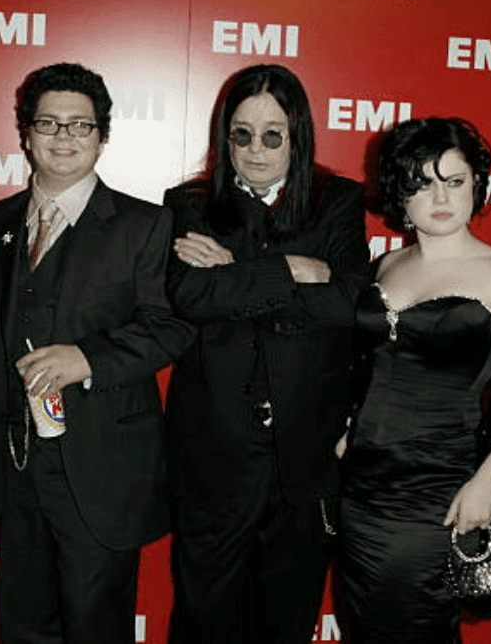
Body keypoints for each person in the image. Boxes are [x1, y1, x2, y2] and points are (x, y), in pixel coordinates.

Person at [0, 62, 193, 644]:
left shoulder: (147, 224)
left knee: (95, 624)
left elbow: (171, 325)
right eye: (49, 123)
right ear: (25, 133)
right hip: (16, 460)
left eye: (80, 126)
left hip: (103, 463)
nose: (64, 137)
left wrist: (89, 358)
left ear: (102, 136)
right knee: (23, 620)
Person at [336, 117, 491, 643]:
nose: (440, 197)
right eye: (423, 182)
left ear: (476, 186)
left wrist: (487, 481)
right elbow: (365, 364)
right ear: (402, 192)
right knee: (365, 624)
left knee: (418, 625)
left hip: (440, 491)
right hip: (363, 489)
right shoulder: (386, 266)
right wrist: (346, 432)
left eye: (455, 180)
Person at [163, 64, 369, 643]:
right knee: (203, 621)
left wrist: (236, 275)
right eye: (241, 134)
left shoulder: (338, 202)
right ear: (223, 137)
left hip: (304, 455)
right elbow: (191, 295)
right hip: (214, 456)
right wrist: (291, 272)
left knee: (286, 621)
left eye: (272, 134)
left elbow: (350, 302)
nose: (255, 150)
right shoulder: (191, 204)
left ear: (297, 136)